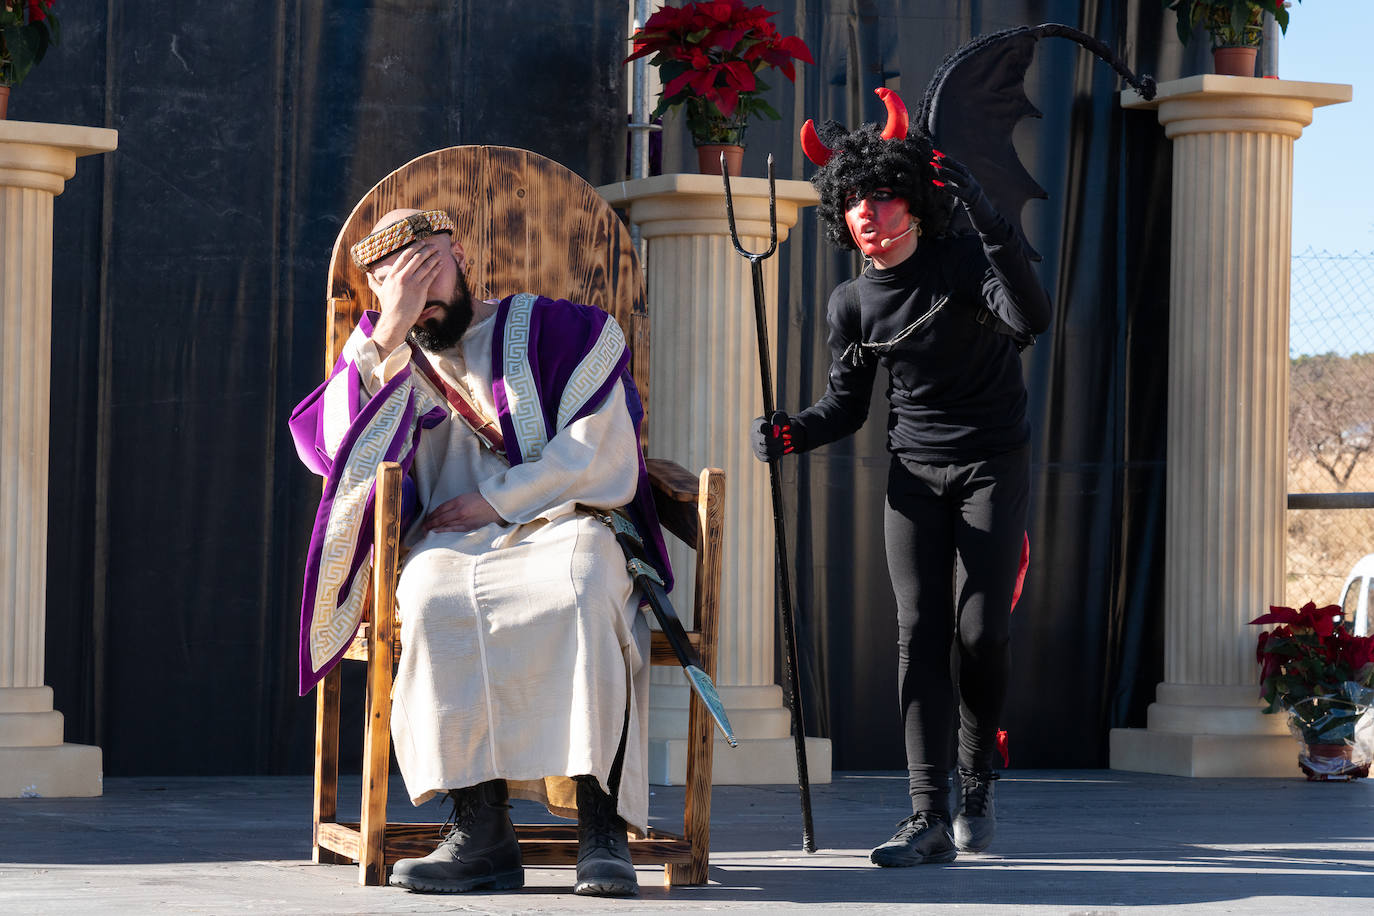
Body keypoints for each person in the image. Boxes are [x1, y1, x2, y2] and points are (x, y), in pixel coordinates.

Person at [289, 207, 671, 897]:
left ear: (460, 254)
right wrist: (392, 327)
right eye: (394, 279)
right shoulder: (379, 358)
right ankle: (480, 832)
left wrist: (500, 499)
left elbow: (603, 450)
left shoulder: (562, 332)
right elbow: (337, 455)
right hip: (448, 543)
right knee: (432, 597)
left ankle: (601, 827)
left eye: (427, 267)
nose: (418, 290)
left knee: (584, 583)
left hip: (562, 522)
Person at [752, 108, 1050, 865]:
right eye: (856, 203)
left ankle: (977, 778)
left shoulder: (961, 262)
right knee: (920, 632)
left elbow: (1030, 314)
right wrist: (793, 431)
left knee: (981, 630)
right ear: (841, 215)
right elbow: (845, 409)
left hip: (991, 462)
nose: (870, 215)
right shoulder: (851, 304)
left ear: (914, 201)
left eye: (884, 198)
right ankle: (926, 813)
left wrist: (988, 219)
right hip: (914, 472)